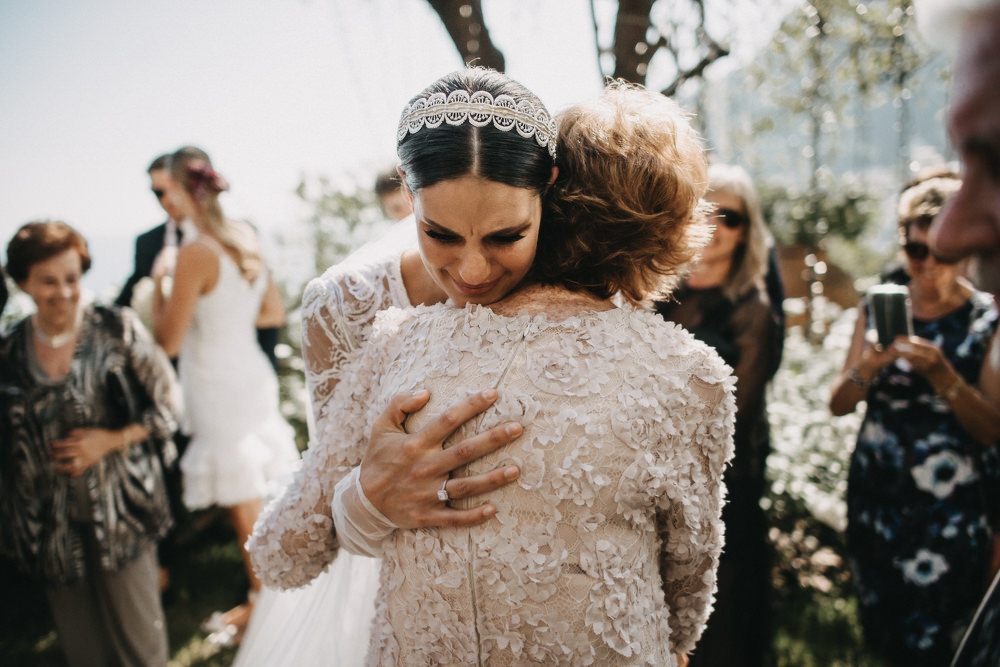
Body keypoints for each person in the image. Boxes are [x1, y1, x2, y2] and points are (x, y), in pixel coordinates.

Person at [252, 70, 735, 665]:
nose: (474, 272)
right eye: (441, 235)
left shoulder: (633, 332)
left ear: (548, 195)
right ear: (407, 192)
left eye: (507, 236)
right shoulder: (359, 314)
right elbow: (302, 532)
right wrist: (370, 495)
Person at [829, 169, 1000, 665]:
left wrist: (943, 375)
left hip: (951, 507)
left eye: (941, 253)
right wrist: (869, 367)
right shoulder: (880, 304)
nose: (927, 265)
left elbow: (993, 429)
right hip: (878, 498)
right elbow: (839, 402)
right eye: (915, 251)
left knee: (940, 638)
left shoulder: (985, 321)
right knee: (884, 633)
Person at [0, 220, 179, 666]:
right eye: (48, 281)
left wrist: (112, 439)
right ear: (23, 282)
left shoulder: (116, 329)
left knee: (142, 647)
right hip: (48, 525)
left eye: (72, 278)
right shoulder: (8, 352)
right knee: (84, 652)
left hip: (125, 516)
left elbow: (169, 407)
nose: (63, 291)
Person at [152, 146, 299, 645]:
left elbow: (167, 342)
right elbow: (270, 313)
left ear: (180, 190)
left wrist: (159, 289)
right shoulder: (244, 239)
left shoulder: (194, 253)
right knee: (259, 495)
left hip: (215, 383)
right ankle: (267, 594)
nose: (163, 202)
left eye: (165, 191)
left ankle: (265, 608)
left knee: (243, 505)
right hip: (251, 377)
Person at [655, 163, 783, 667]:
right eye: (703, 209)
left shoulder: (754, 312)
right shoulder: (653, 294)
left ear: (747, 230)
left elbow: (736, 414)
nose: (713, 224)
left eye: (729, 215)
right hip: (647, 473)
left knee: (717, 628)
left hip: (718, 486)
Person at [118, 153, 282, 370]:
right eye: (158, 192)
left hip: (228, 372)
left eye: (170, 189)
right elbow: (123, 306)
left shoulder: (240, 238)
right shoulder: (147, 244)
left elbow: (272, 315)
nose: (167, 199)